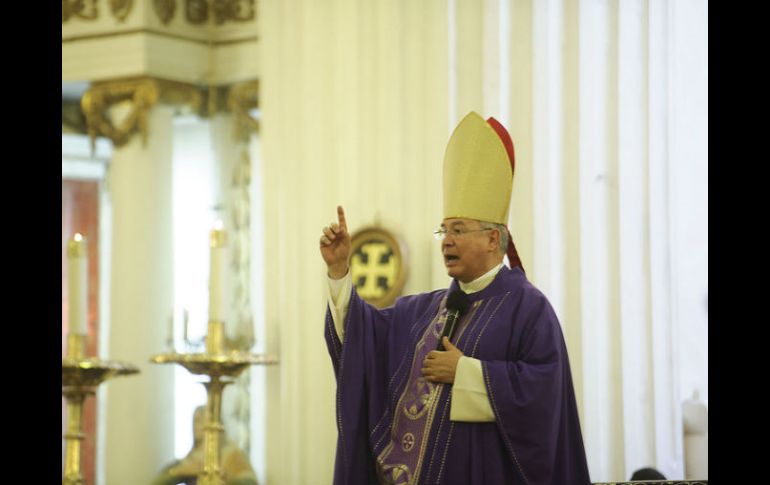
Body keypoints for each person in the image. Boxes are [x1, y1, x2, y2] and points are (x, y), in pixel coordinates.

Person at [319, 112, 591, 485]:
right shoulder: (424, 310)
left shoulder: (529, 309)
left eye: (459, 230)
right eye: (443, 230)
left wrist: (465, 372)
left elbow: (544, 398)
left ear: (493, 239)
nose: (446, 240)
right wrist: (339, 272)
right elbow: (363, 339)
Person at [149, 406, 258, 485]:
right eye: (196, 421)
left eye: (203, 420)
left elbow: (250, 482)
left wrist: (227, 480)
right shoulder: (190, 459)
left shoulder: (231, 454)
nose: (199, 426)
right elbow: (158, 482)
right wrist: (180, 472)